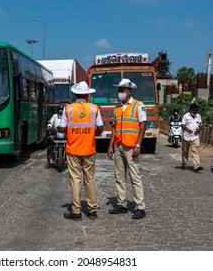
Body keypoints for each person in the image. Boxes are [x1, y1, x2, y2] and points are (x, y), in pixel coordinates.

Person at [58, 81, 104, 221]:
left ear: (76, 94)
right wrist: (90, 134)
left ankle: (76, 211)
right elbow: (101, 128)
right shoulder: (94, 109)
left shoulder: (68, 109)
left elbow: (61, 129)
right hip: (89, 149)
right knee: (90, 179)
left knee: (75, 180)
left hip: (73, 149)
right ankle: (92, 210)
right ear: (87, 95)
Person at [107, 78, 147, 220]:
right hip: (118, 146)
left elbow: (143, 126)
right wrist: (110, 145)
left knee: (134, 177)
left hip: (131, 147)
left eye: (122, 90)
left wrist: (138, 145)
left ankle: (140, 207)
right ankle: (122, 204)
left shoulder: (138, 105)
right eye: (119, 90)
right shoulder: (117, 108)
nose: (119, 93)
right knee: (119, 177)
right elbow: (114, 128)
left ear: (129, 92)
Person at [181, 103, 203, 172]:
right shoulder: (186, 116)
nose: (195, 112)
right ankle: (184, 164)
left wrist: (198, 130)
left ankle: (196, 166)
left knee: (195, 150)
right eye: (193, 110)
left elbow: (201, 125)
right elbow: (182, 125)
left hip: (195, 137)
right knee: (185, 151)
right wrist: (187, 129)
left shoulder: (198, 116)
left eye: (196, 110)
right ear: (190, 110)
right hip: (186, 137)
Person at [45, 104, 64, 169]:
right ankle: (48, 161)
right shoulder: (55, 116)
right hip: (55, 133)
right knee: (49, 144)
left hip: (64, 134)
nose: (61, 111)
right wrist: (49, 126)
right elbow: (50, 123)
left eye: (62, 109)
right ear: (58, 110)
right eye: (59, 109)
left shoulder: (66, 117)